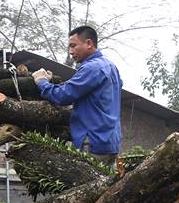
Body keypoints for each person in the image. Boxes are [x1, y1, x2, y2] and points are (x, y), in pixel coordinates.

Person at [32, 25, 122, 166]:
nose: (71, 52)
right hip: (111, 141)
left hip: (92, 141)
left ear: (89, 43)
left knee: (84, 185)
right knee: (106, 186)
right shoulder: (110, 66)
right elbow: (78, 89)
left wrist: (41, 82)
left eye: (73, 46)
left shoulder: (92, 68)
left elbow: (62, 96)